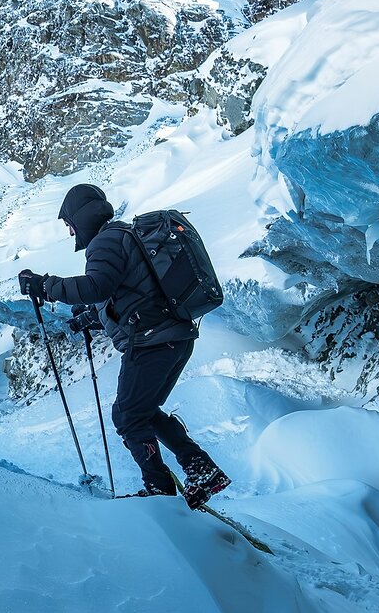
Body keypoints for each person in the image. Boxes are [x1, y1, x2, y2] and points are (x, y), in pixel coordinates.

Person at [17, 184, 231, 507]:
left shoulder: (105, 243)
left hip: (153, 343)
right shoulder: (118, 237)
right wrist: (90, 319)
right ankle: (200, 468)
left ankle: (160, 489)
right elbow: (126, 295)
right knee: (140, 412)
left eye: (69, 224)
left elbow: (96, 285)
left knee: (128, 416)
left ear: (81, 218)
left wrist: (46, 286)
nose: (70, 232)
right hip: (173, 339)